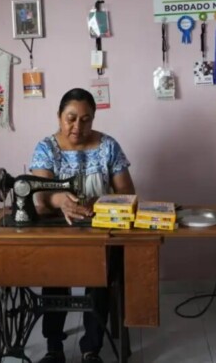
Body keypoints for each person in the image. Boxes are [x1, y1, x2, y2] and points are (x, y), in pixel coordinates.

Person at [29, 88, 135, 363]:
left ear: (94, 118)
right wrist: (59, 200)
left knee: (98, 279)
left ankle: (91, 349)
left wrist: (99, 202)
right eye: (71, 118)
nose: (78, 126)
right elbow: (38, 199)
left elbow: (127, 193)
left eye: (86, 119)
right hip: (57, 232)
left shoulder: (108, 146)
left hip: (100, 230)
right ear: (59, 116)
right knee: (54, 279)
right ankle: (54, 347)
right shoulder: (46, 148)